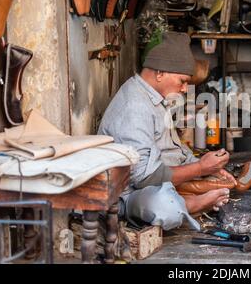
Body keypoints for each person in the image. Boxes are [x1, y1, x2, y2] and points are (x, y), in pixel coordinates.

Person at [98, 31, 236, 231]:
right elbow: (143, 178)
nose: (184, 89)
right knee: (165, 207)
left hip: (157, 180)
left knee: (213, 182)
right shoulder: (134, 107)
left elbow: (173, 148)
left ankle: (186, 200)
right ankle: (192, 205)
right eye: (182, 81)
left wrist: (208, 168)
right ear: (160, 73)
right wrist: (200, 169)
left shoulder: (156, 98)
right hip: (129, 193)